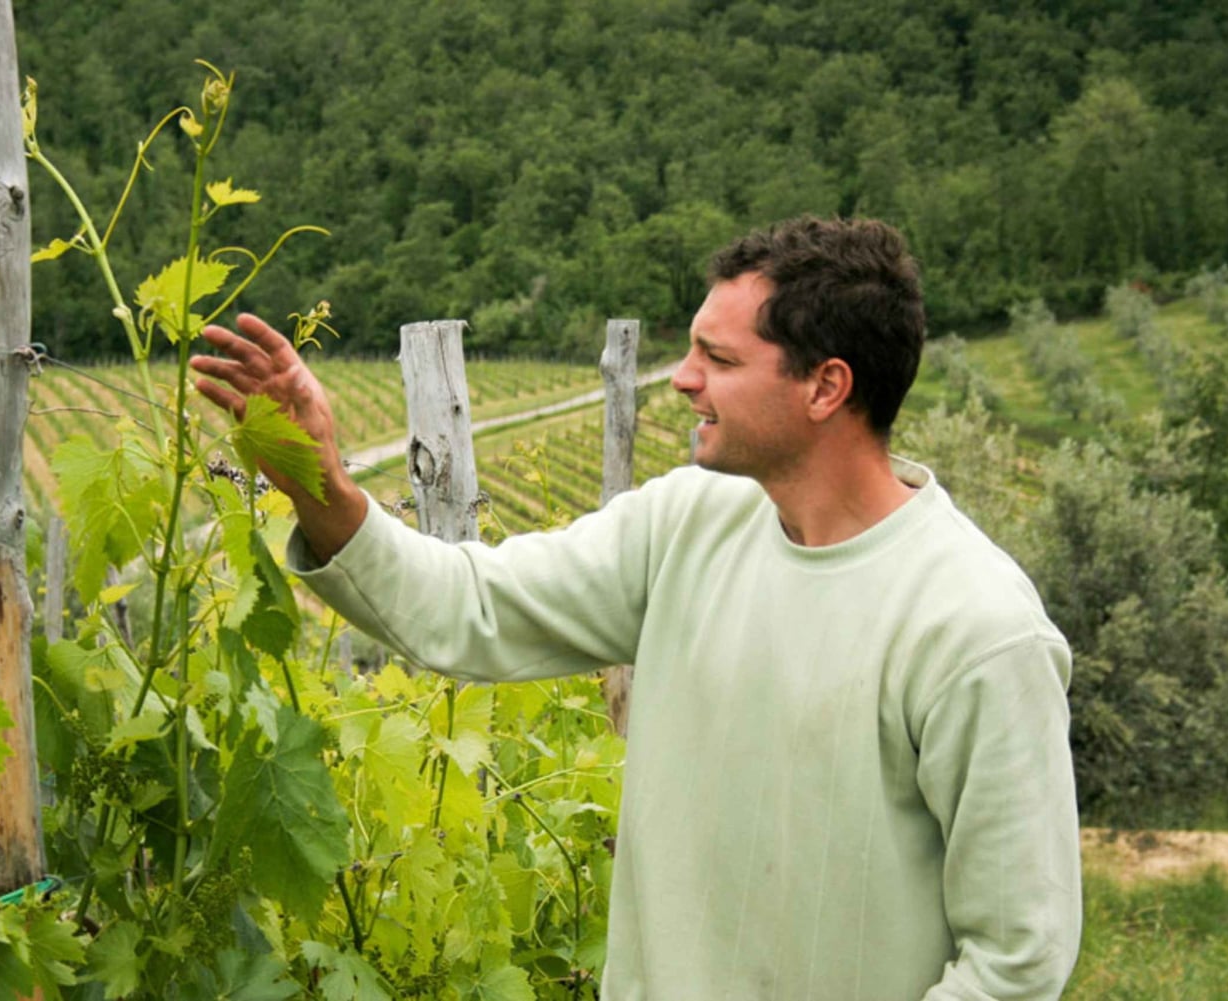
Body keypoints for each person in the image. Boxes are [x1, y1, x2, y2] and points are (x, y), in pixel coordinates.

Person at [191, 216, 1081, 1000]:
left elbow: (1015, 959)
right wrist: (321, 482)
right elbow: (471, 607)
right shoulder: (687, 522)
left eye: (719, 359)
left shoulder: (975, 629)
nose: (683, 379)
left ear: (826, 387)